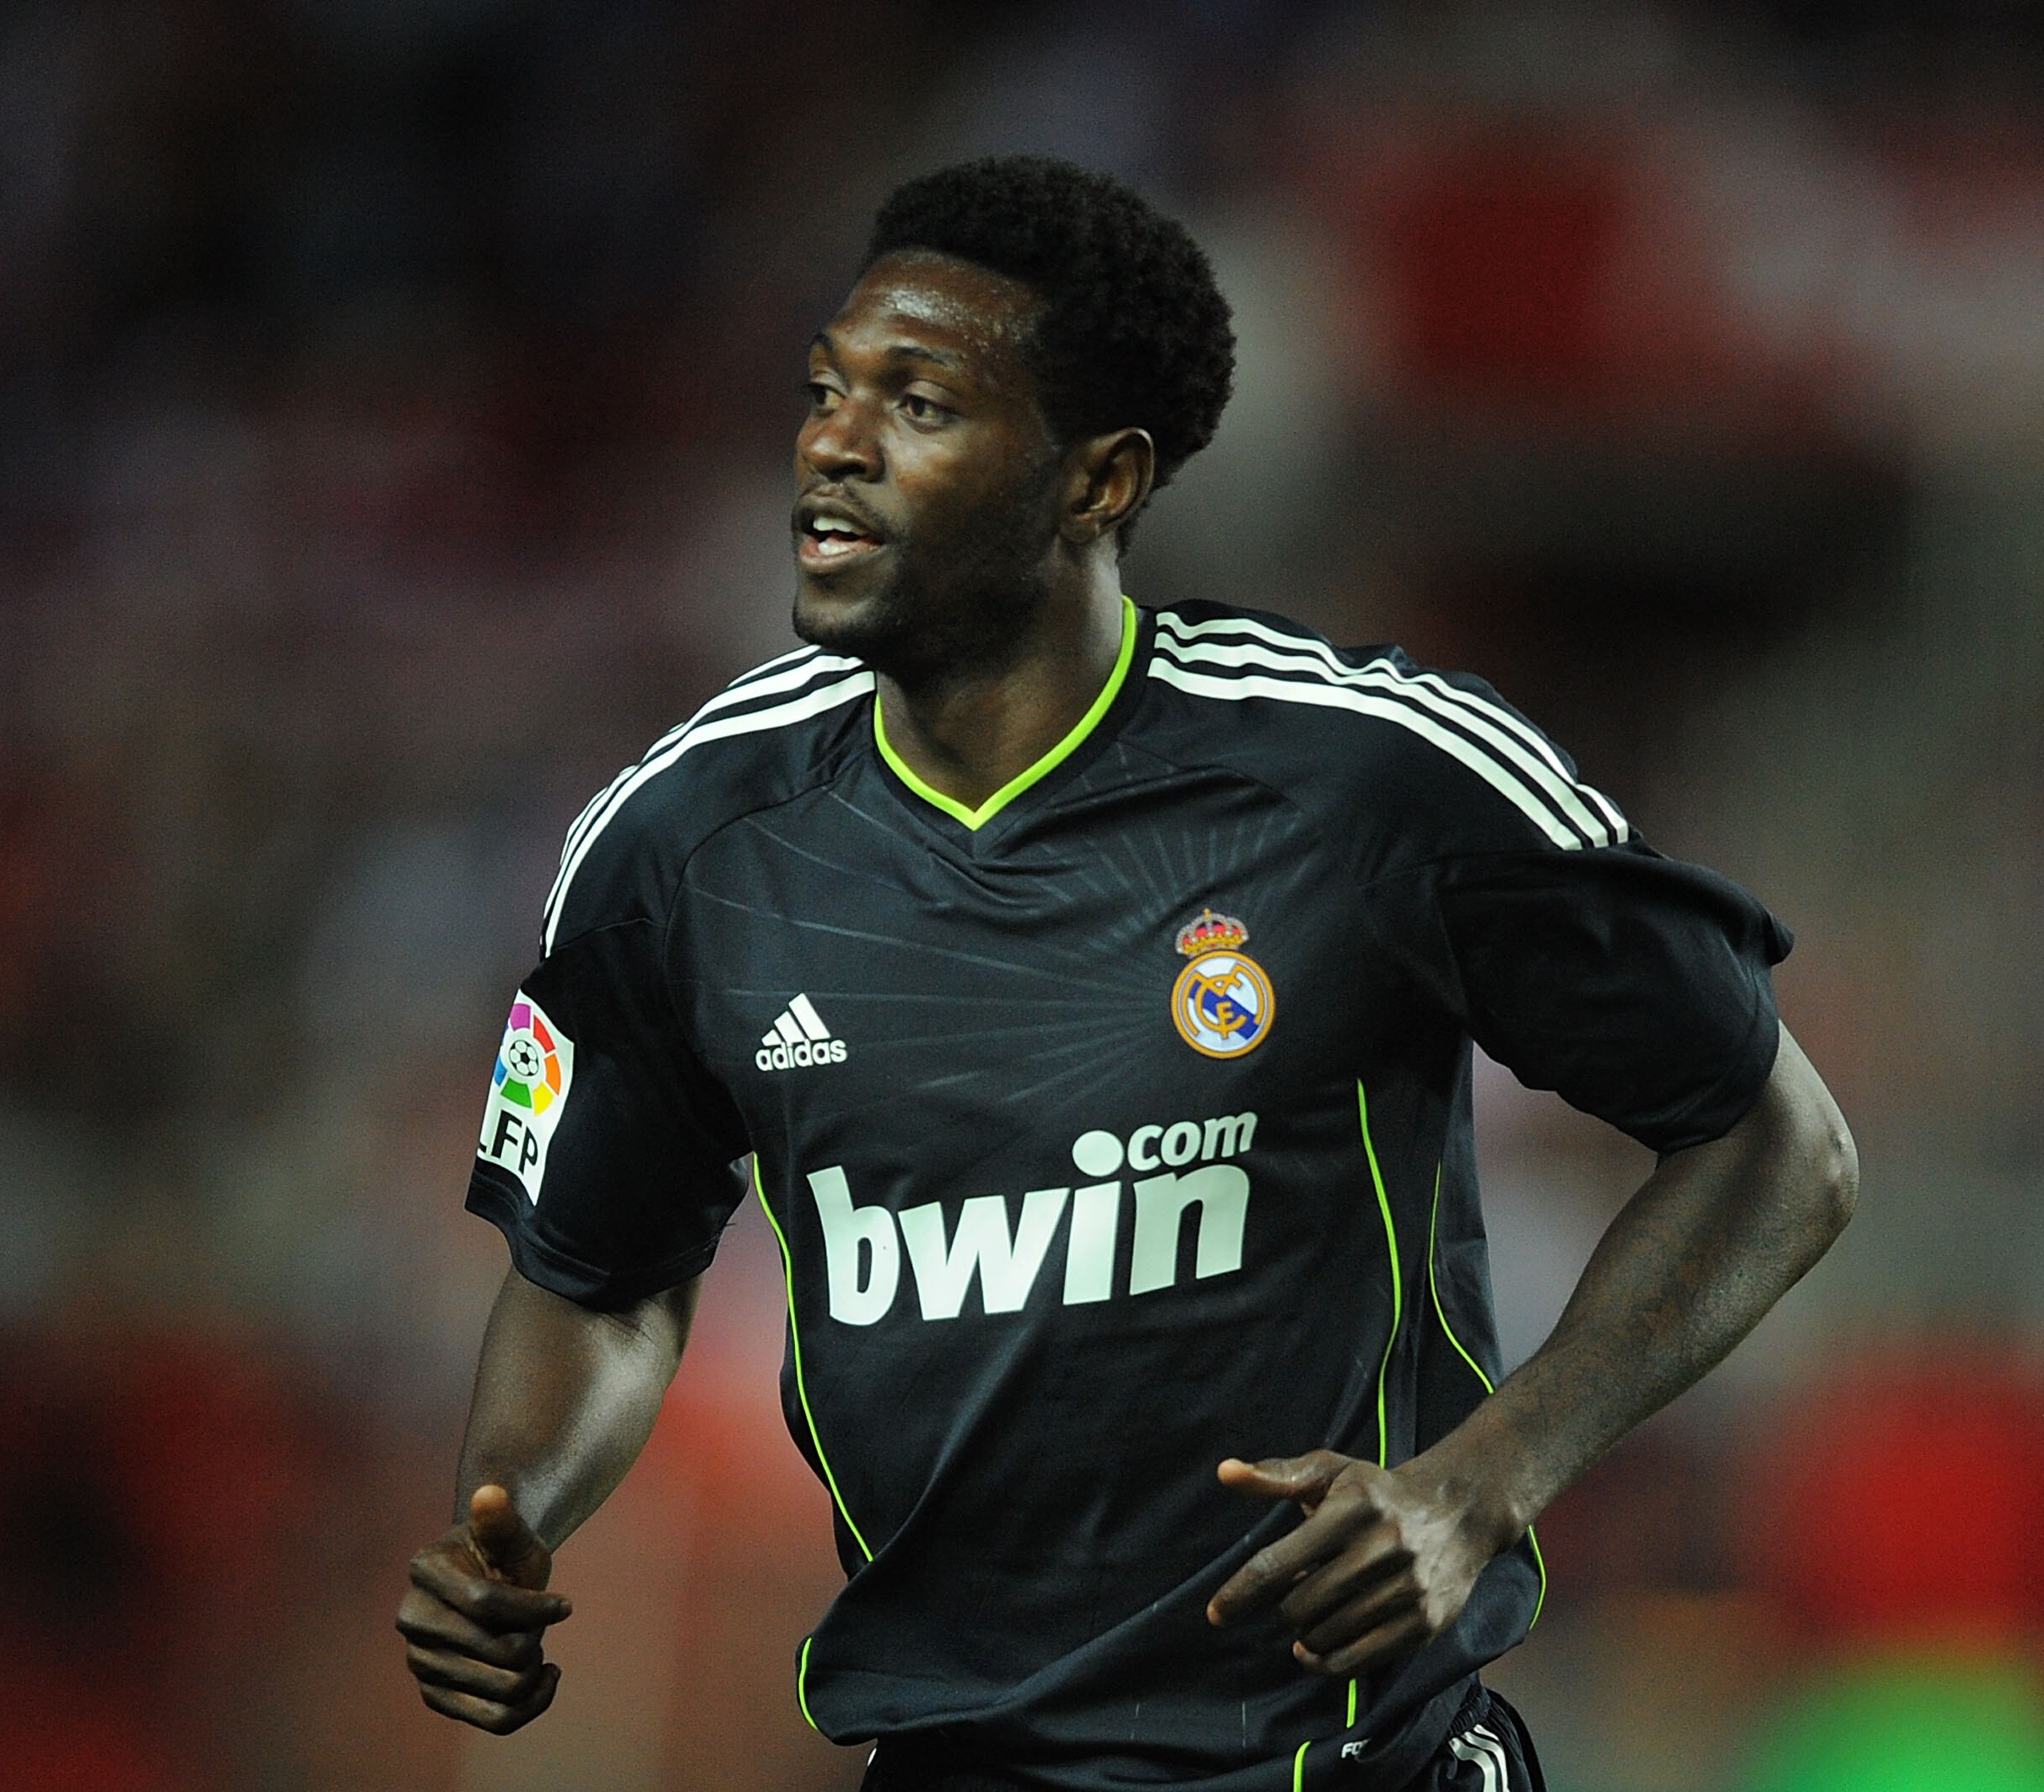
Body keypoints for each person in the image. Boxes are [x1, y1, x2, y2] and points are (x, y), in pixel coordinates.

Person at [395, 156, 1857, 1791]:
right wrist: (510, 1514)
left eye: (921, 402)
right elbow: (597, 1273)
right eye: (825, 391)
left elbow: (1780, 1148)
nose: (833, 444)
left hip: (1361, 1766)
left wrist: (1479, 1480)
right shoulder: (679, 854)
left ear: (1099, 483)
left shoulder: (1364, 781)